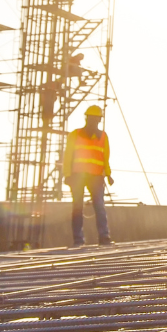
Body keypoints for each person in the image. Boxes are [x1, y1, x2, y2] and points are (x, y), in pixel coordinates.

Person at [62, 105, 113, 247]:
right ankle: (78, 240)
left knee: (99, 206)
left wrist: (108, 174)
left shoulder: (103, 136)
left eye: (96, 119)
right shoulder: (75, 134)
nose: (94, 121)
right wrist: (67, 174)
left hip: (96, 177)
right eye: (92, 118)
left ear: (99, 120)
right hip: (77, 176)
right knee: (77, 207)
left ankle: (104, 237)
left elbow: (105, 158)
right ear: (87, 118)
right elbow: (68, 156)